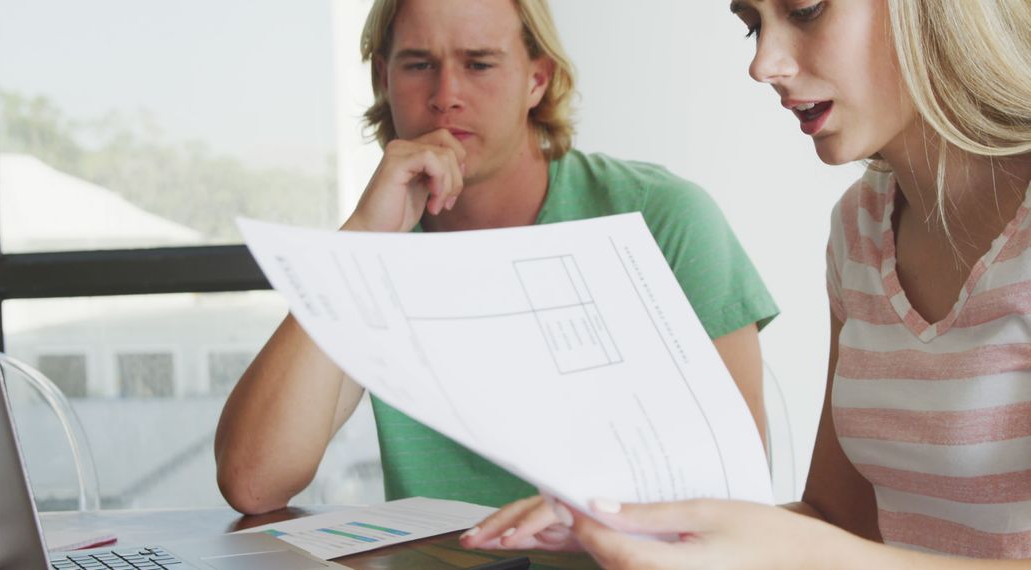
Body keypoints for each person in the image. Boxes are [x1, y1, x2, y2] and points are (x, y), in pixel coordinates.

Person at [462, 0, 1031, 566]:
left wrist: (814, 556)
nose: (763, 64)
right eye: (752, 26)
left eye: (805, 10)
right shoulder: (861, 226)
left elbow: (826, 554)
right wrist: (635, 524)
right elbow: (838, 523)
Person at [214, 0, 778, 516]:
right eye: (416, 65)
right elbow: (254, 482)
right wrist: (358, 239)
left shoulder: (661, 216)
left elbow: (741, 498)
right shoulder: (378, 245)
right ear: (382, 79)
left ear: (538, 78)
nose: (445, 94)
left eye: (479, 64)